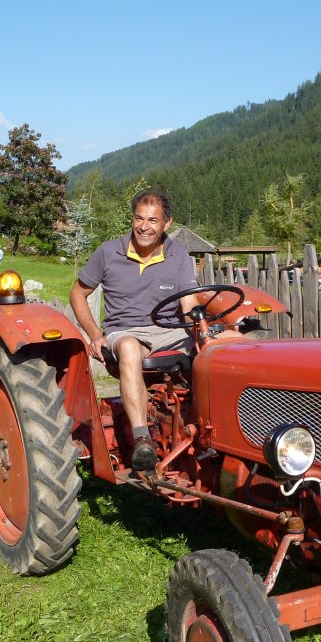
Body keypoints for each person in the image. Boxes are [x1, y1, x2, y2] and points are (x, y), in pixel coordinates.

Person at [69, 188, 198, 473]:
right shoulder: (108, 252)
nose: (144, 226)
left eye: (153, 220)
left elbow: (189, 301)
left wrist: (204, 333)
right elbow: (77, 294)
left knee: (224, 346)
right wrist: (94, 334)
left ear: (167, 223)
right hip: (125, 331)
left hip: (168, 330)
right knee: (128, 347)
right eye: (139, 218)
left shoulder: (177, 253)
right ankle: (143, 441)